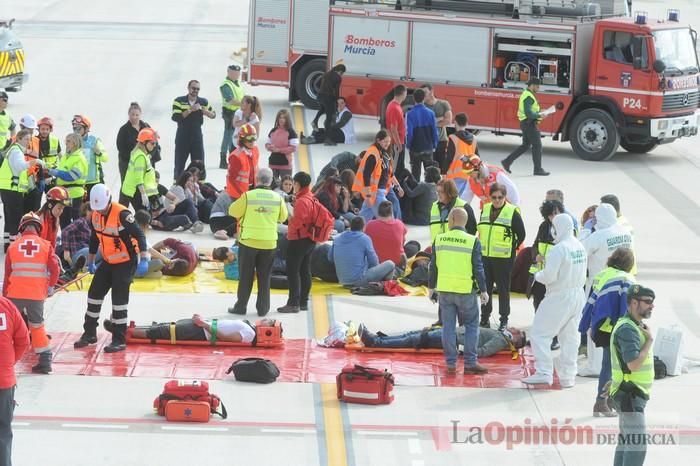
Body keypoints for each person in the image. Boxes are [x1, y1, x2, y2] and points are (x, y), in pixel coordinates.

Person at [73, 184, 149, 353]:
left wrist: (144, 258)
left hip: (126, 262)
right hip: (108, 260)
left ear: (109, 201)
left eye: (102, 208)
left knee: (119, 301)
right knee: (94, 295)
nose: (100, 211)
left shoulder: (122, 215)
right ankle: (90, 334)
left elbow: (139, 235)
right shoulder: (96, 215)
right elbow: (94, 238)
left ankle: (119, 340)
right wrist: (91, 261)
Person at [522, 214, 587, 387]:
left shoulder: (559, 249)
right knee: (570, 337)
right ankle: (568, 376)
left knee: (540, 333)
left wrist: (537, 275)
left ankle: (544, 371)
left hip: (559, 296)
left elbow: (550, 276)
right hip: (577, 295)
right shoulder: (579, 246)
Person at [429, 207, 489, 374]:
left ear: (452, 220)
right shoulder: (472, 241)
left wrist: (431, 288)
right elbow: (478, 268)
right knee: (471, 325)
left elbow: (432, 267)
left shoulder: (439, 239)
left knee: (448, 326)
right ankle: (470, 363)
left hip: (445, 291)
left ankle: (450, 363)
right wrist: (483, 290)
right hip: (465, 291)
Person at [579, 247, 636, 418]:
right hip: (617, 327)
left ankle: (609, 400)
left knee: (609, 365)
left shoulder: (602, 275)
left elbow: (590, 302)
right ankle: (601, 402)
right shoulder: (627, 279)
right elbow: (628, 308)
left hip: (602, 328)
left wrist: (586, 327)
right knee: (617, 366)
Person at [3, 212, 60, 374]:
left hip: (14, 294)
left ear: (21, 227)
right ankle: (45, 359)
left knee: (8, 325)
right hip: (36, 294)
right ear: (38, 228)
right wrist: (51, 286)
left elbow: (7, 275)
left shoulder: (13, 247)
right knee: (37, 325)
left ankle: (4, 356)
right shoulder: (46, 245)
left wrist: (4, 298)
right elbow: (55, 267)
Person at [228, 168, 288, 316]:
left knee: (245, 277)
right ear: (271, 180)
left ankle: (240, 307)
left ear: (257, 179)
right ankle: (263, 309)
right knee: (265, 277)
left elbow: (232, 212)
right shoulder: (277, 198)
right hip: (269, 243)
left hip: (249, 242)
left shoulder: (248, 196)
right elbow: (283, 217)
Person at [610, 284, 656, 466]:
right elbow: (634, 364)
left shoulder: (633, 325)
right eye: (648, 302)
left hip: (630, 392)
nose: (652, 306)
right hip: (630, 394)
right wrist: (649, 341)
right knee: (637, 446)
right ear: (634, 303)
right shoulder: (628, 329)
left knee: (626, 441)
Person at [478, 183, 526, 330]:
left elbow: (521, 234)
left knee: (503, 290)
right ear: (490, 197)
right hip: (485, 257)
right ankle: (485, 318)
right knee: (485, 289)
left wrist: (511, 247)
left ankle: (503, 320)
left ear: (505, 197)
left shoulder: (512, 212)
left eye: (500, 197)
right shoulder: (485, 209)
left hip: (503, 259)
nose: (497, 200)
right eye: (494, 197)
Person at [358, 322, 526, 357]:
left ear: (516, 338)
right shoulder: (500, 336)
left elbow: (482, 352)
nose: (514, 328)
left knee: (414, 340)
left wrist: (459, 349)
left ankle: (375, 342)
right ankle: (377, 339)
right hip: (452, 333)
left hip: (453, 338)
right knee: (411, 335)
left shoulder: (501, 341)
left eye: (517, 331)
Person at [278, 172, 318, 314]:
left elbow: (297, 222)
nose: (293, 186)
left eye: (294, 183)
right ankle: (303, 301)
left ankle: (293, 303)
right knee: (304, 270)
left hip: (299, 240)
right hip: (310, 239)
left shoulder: (302, 201)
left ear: (298, 184)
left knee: (293, 271)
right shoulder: (310, 197)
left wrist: (290, 217)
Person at [0, 129, 43, 251]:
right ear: (18, 139)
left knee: (9, 218)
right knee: (15, 218)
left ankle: (8, 244)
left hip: (8, 189)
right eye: (25, 139)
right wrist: (34, 161)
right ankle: (14, 247)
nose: (28, 142)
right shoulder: (17, 151)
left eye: (29, 139)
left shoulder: (13, 151)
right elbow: (20, 167)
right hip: (13, 190)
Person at [0, 296, 29, 466]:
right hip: (4, 381)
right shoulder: (6, 305)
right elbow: (23, 340)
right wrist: (9, 365)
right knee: (3, 430)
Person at [501, 77, 551, 176]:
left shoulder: (528, 94)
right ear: (532, 85)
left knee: (525, 145)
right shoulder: (528, 96)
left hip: (526, 123)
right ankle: (538, 169)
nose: (538, 88)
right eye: (537, 86)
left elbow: (530, 111)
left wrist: (540, 112)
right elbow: (528, 113)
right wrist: (540, 115)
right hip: (529, 124)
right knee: (537, 146)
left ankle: (507, 161)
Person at [582, 203, 634, 294]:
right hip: (622, 281)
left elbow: (580, 250)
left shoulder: (598, 236)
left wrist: (585, 231)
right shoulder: (626, 232)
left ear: (599, 218)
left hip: (599, 284)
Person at [329, 216, 395, 287]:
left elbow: (330, 258)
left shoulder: (337, 238)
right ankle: (384, 287)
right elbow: (374, 262)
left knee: (363, 260)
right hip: (358, 281)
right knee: (390, 264)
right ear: (364, 227)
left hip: (342, 281)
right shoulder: (364, 238)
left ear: (350, 226)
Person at [171, 80, 216, 180]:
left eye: (198, 89)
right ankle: (177, 186)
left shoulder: (203, 101)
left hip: (197, 136)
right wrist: (190, 110)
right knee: (179, 163)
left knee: (199, 163)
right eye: (193, 88)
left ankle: (200, 186)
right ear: (188, 88)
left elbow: (213, 115)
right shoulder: (179, 100)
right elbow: (175, 117)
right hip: (182, 136)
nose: (195, 90)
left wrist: (206, 112)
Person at [353, 130, 399, 221]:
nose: (388, 144)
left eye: (389, 142)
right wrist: (368, 195)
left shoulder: (384, 154)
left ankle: (354, 232)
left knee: (362, 219)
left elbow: (389, 173)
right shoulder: (373, 155)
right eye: (385, 141)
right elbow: (366, 175)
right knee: (389, 218)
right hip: (376, 193)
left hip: (377, 193)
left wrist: (398, 186)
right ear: (378, 140)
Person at [128, 315, 276, 343]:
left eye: (269, 322)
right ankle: (130, 329)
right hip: (203, 326)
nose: (266, 319)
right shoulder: (249, 326)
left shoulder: (249, 334)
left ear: (267, 329)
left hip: (201, 331)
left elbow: (225, 338)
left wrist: (204, 325)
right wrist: (203, 320)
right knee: (164, 326)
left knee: (165, 331)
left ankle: (125, 332)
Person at [50, 132, 87, 228]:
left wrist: (55, 172)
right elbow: (61, 170)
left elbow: (72, 176)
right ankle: (66, 240)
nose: (66, 143)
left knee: (75, 219)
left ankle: (77, 241)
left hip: (74, 194)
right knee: (64, 218)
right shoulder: (66, 157)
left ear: (74, 143)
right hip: (65, 194)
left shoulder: (79, 158)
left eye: (68, 141)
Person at [120, 128, 160, 213]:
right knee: (144, 216)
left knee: (142, 215)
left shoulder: (140, 154)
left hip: (134, 190)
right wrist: (143, 194)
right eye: (152, 143)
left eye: (155, 144)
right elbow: (139, 178)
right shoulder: (140, 157)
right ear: (144, 143)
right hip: (136, 191)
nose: (154, 146)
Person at [405, 88, 438, 181]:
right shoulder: (431, 113)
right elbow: (434, 131)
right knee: (430, 174)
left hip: (415, 149)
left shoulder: (410, 114)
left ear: (413, 99)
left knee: (415, 175)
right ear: (424, 98)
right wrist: (434, 144)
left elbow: (409, 133)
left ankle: (416, 193)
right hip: (428, 147)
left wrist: (408, 145)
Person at [72, 114, 108, 196]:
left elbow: (106, 158)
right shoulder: (72, 141)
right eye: (74, 128)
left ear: (86, 129)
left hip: (94, 182)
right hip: (78, 183)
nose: (76, 131)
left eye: (79, 128)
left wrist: (99, 152)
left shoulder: (94, 141)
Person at [430, 178, 476, 243]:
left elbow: (472, 230)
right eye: (437, 192)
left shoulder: (464, 206)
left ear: (450, 192)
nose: (438, 194)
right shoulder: (434, 206)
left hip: (456, 250)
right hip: (438, 249)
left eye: (442, 192)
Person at [365, 201, 407, 268]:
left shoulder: (369, 224)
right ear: (391, 213)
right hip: (396, 263)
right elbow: (402, 242)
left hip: (377, 262)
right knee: (414, 245)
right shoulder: (399, 224)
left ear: (378, 212)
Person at [421, 83, 453, 172]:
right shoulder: (422, 107)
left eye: (425, 92)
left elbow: (449, 120)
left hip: (442, 141)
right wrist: (440, 118)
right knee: (429, 170)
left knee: (442, 169)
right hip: (427, 143)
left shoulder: (444, 104)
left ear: (431, 91)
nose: (423, 95)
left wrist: (433, 122)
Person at [311, 64, 346, 144]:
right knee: (329, 118)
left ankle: (315, 121)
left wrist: (322, 90)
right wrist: (337, 101)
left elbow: (317, 83)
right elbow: (336, 91)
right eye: (342, 73)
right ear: (340, 71)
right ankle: (327, 139)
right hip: (328, 97)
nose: (342, 75)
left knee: (322, 109)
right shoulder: (338, 78)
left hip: (320, 96)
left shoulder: (326, 74)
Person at [116, 102, 150, 181]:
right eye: (132, 115)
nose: (134, 117)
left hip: (145, 162)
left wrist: (149, 156)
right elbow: (120, 148)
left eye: (137, 115)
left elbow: (154, 144)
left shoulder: (146, 127)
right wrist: (133, 158)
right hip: (128, 163)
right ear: (129, 114)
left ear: (140, 115)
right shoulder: (123, 130)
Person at [219, 64, 245, 168]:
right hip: (229, 113)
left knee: (237, 135)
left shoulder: (237, 83)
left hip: (238, 113)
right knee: (228, 135)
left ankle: (233, 157)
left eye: (238, 73)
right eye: (234, 73)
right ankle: (223, 158)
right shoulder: (225, 85)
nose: (236, 75)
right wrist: (244, 105)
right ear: (228, 72)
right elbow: (230, 100)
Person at [444, 112, 478, 190]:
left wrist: (443, 171)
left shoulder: (453, 138)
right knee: (462, 200)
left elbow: (449, 157)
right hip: (468, 174)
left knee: (453, 199)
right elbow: (477, 157)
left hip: (454, 175)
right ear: (467, 123)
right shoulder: (474, 138)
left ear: (455, 122)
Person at [226, 123, 259, 200]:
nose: (252, 141)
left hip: (252, 190)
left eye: (254, 138)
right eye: (249, 138)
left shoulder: (255, 150)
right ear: (242, 139)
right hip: (238, 194)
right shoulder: (236, 156)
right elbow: (232, 179)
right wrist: (242, 195)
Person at [266, 109, 299, 179]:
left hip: (285, 165)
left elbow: (294, 148)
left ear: (287, 119)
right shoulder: (273, 130)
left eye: (284, 118)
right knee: (272, 187)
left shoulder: (291, 132)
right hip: (272, 163)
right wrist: (269, 147)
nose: (281, 120)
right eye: (280, 117)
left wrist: (279, 150)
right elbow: (267, 143)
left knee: (286, 188)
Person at [385, 84, 407, 172]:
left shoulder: (394, 105)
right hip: (396, 143)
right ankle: (395, 185)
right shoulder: (394, 108)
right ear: (403, 94)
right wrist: (398, 143)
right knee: (397, 168)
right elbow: (393, 128)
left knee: (398, 166)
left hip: (397, 141)